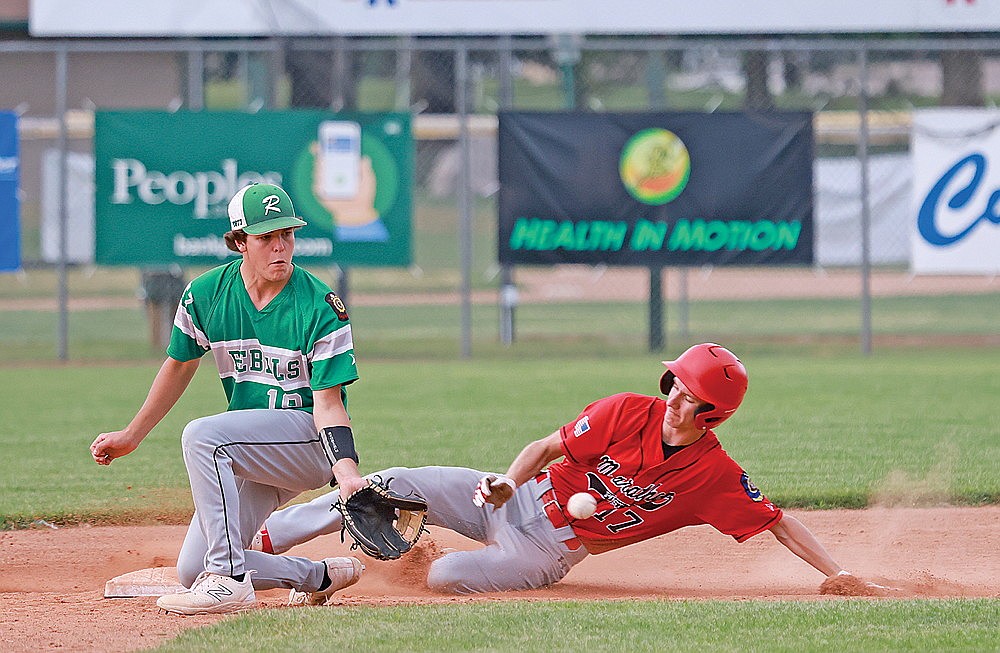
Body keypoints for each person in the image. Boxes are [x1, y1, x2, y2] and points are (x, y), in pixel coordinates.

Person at [251, 343, 862, 595]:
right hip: (515, 497)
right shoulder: (625, 410)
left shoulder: (714, 477)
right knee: (388, 485)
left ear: (714, 413)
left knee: (441, 580)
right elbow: (545, 448)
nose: (675, 392)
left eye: (690, 391)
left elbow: (777, 521)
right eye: (676, 380)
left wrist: (840, 576)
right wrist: (506, 483)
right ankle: (271, 539)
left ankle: (385, 562)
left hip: (551, 552)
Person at [90, 182, 368, 614]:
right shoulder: (206, 295)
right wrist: (132, 435)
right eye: (265, 238)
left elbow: (329, 404)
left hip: (308, 443)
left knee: (203, 436)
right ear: (239, 242)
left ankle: (231, 579)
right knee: (191, 569)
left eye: (287, 236)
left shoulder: (320, 305)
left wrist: (346, 472)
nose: (280, 248)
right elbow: (179, 365)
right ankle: (318, 577)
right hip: (251, 448)